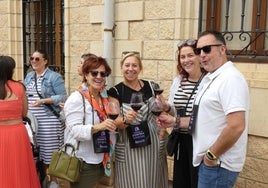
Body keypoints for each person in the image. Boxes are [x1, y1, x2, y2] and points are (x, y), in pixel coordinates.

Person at [158, 30, 249, 188]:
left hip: (217, 164)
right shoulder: (212, 78)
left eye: (207, 49)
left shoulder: (231, 78)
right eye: (199, 50)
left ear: (222, 49)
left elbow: (236, 126)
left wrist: (211, 155)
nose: (202, 55)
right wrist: (174, 120)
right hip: (207, 161)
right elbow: (200, 119)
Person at [107, 51, 169, 188]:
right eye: (127, 65)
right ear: (122, 68)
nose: (131, 69)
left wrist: (162, 131)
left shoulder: (152, 87)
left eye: (134, 65)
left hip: (153, 144)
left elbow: (163, 110)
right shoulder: (115, 91)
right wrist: (126, 120)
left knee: (154, 181)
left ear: (140, 68)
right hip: (129, 147)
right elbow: (115, 121)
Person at [64, 56, 117, 188]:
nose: (99, 77)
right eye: (94, 73)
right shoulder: (77, 98)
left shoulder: (102, 99)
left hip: (100, 159)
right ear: (86, 74)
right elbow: (75, 130)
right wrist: (99, 126)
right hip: (83, 161)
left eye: (103, 74)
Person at [24, 49, 67, 187]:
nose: (34, 61)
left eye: (37, 59)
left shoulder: (54, 77)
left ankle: (53, 182)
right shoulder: (29, 76)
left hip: (49, 122)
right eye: (32, 58)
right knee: (37, 154)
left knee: (50, 155)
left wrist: (42, 101)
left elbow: (62, 96)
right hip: (33, 124)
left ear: (45, 61)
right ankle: (43, 180)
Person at [166, 39, 206, 188]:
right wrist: (165, 106)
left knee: (196, 181)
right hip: (181, 140)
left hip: (199, 140)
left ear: (199, 56)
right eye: (182, 57)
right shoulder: (179, 81)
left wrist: (174, 120)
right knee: (181, 182)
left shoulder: (208, 81)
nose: (186, 60)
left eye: (190, 55)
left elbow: (206, 116)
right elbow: (174, 109)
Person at [0, 55, 41, 188]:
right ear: (10, 70)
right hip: (17, 132)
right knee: (20, 167)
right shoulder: (19, 87)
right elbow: (24, 112)